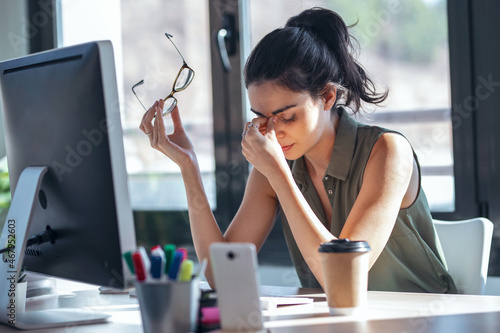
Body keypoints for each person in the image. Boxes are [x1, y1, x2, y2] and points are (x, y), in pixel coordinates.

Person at [139, 7, 457, 293]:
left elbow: (344, 277)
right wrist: (189, 168)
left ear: (328, 96)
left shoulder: (388, 152)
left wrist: (279, 175)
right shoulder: (277, 166)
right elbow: (222, 276)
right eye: (261, 118)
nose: (273, 132)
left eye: (287, 116)